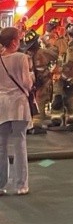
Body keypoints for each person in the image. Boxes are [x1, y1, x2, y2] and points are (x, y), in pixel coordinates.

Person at [0, 26, 33, 195]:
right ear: (13, 42)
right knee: (19, 143)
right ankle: (21, 185)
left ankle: (0, 184)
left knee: (1, 145)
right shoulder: (22, 58)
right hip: (18, 105)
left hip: (1, 106)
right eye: (19, 39)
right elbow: (27, 83)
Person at [50, 23, 73, 130]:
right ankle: (72, 121)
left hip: (68, 75)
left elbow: (70, 62)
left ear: (68, 34)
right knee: (72, 98)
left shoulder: (72, 46)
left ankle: (57, 120)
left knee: (60, 97)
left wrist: (60, 72)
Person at [22, 31, 53, 135]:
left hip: (31, 82)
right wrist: (47, 43)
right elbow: (55, 54)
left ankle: (32, 123)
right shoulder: (42, 52)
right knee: (40, 101)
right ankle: (37, 125)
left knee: (32, 102)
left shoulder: (25, 54)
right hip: (42, 81)